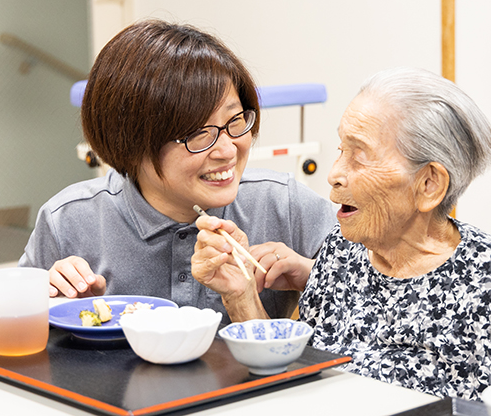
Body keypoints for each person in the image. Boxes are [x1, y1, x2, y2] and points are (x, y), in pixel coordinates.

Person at [192, 68, 491, 400]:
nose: (334, 174)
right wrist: (242, 295)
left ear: (429, 184)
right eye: (341, 150)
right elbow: (295, 385)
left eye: (360, 157)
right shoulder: (341, 252)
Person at [18, 19, 336, 322]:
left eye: (235, 122)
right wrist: (55, 310)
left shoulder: (283, 205)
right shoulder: (68, 221)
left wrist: (311, 274)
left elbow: (377, 302)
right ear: (131, 141)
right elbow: (15, 331)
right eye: (198, 134)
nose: (227, 150)